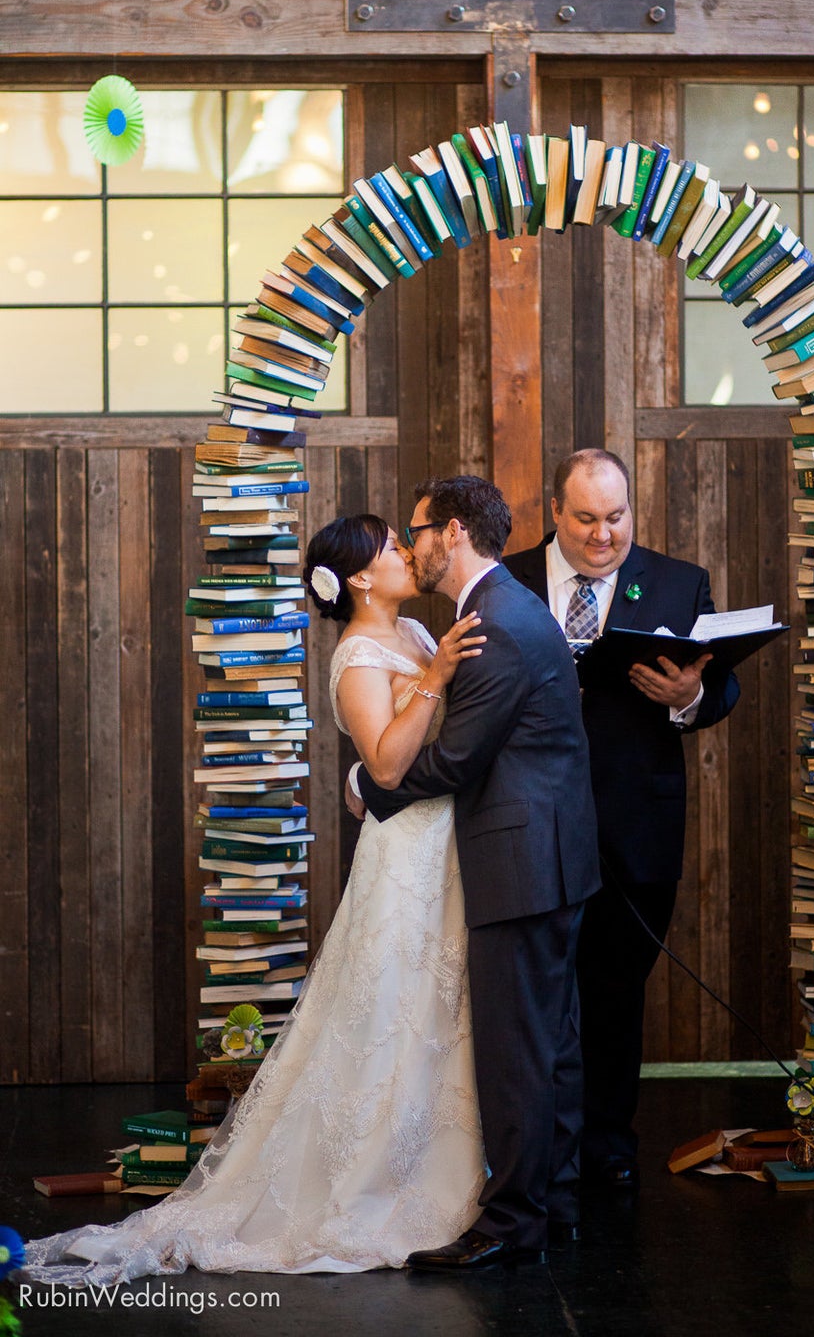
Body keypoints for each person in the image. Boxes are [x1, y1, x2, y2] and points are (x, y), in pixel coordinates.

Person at [23, 513, 490, 1284]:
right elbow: (384, 763)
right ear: (362, 578)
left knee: (440, 1008)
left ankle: (447, 1161)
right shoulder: (357, 654)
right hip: (406, 848)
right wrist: (432, 685)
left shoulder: (412, 627)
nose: (409, 555)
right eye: (393, 549)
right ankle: (370, 1181)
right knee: (392, 1006)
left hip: (448, 840)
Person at [352, 475, 601, 1270]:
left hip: (522, 861)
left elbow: (458, 759)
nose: (413, 544)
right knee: (551, 1042)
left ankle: (511, 1226)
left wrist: (370, 788)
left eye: (418, 530)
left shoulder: (493, 623)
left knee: (516, 1049)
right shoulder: (506, 608)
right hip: (553, 856)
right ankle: (553, 1203)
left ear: (451, 533)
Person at [504, 449, 740, 1186]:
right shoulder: (504, 582)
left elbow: (722, 689)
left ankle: (606, 1146)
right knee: (532, 993)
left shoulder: (677, 583)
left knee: (612, 992)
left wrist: (688, 701)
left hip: (635, 829)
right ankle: (529, 1148)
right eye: (586, 519)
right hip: (525, 824)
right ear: (553, 513)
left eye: (617, 517)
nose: (604, 535)